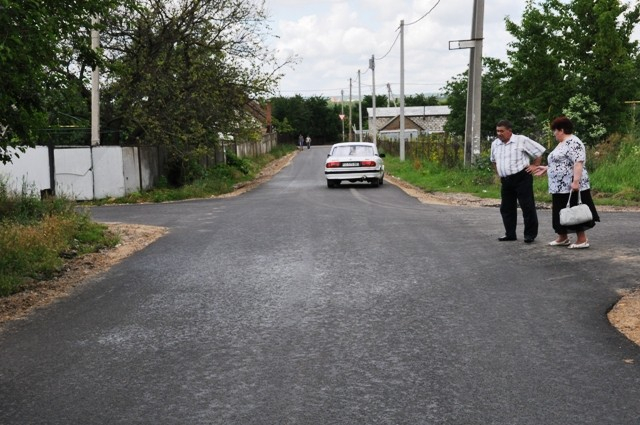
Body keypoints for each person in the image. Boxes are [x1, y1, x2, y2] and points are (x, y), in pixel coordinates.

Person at [533, 116, 600, 249]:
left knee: (574, 210)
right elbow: (561, 162)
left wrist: (576, 182)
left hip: (570, 185)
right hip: (558, 186)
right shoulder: (562, 143)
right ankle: (562, 237)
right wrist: (547, 168)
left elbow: (578, 162)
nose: (554, 134)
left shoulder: (574, 142)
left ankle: (582, 239)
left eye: (555, 131)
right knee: (560, 211)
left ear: (561, 130)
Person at [490, 120, 546, 243]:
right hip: (506, 179)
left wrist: (535, 165)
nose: (499, 133)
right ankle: (510, 234)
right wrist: (499, 172)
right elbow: (493, 160)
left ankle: (530, 235)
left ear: (509, 131)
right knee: (506, 207)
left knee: (527, 206)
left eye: (502, 131)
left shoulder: (521, 140)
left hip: (521, 177)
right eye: (497, 131)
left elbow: (539, 152)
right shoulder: (495, 144)